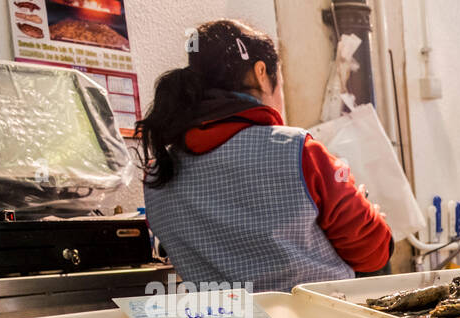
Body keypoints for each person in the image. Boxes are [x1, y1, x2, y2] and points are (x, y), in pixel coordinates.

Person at [136, 20, 392, 293]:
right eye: (280, 80)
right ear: (261, 72)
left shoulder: (157, 172)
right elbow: (372, 252)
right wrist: (369, 212)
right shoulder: (298, 151)